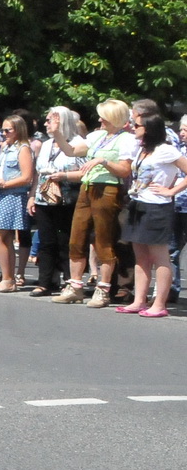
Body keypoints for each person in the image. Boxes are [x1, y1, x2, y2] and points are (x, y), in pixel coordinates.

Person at [53, 98, 136, 307]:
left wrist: (104, 161)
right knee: (77, 237)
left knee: (104, 240)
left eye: (105, 117)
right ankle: (75, 286)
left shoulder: (127, 139)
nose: (100, 120)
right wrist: (56, 133)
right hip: (87, 187)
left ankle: (103, 288)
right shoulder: (97, 135)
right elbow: (71, 150)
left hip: (108, 188)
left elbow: (125, 170)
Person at [117, 113, 184, 317]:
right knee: (141, 256)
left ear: (149, 128)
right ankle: (139, 300)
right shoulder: (142, 149)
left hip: (157, 207)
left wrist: (171, 191)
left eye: (137, 125)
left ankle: (160, 304)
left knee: (160, 256)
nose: (133, 127)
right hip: (138, 203)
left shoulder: (166, 150)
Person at [29, 107, 84, 298]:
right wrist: (32, 196)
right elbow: (38, 172)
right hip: (45, 197)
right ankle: (45, 282)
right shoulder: (46, 144)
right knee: (46, 241)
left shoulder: (78, 143)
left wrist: (64, 176)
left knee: (65, 241)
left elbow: (85, 171)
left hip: (67, 199)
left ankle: (70, 281)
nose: (46, 124)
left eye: (50, 120)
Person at [0, 115, 35, 292]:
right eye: (3, 130)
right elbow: (0, 169)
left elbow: (27, 176)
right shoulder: (7, 147)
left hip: (14, 195)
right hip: (1, 194)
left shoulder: (23, 149)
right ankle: (9, 278)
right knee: (5, 238)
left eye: (8, 130)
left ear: (19, 130)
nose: (4, 133)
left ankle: (8, 278)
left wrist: (5, 184)